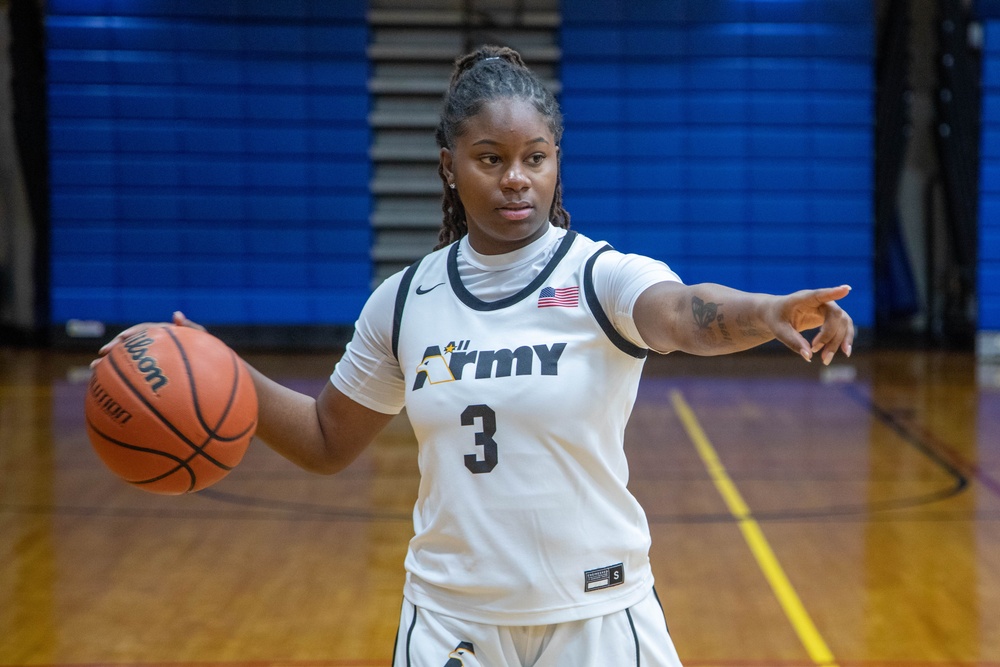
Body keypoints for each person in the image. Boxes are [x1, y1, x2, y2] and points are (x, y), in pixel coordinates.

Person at [98, 45, 853, 667]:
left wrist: (766, 311)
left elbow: (689, 313)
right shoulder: (404, 300)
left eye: (535, 156)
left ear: (557, 162)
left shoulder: (599, 277)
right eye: (490, 158)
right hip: (452, 622)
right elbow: (329, 438)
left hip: (597, 616)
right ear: (450, 164)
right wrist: (220, 370)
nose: (516, 177)